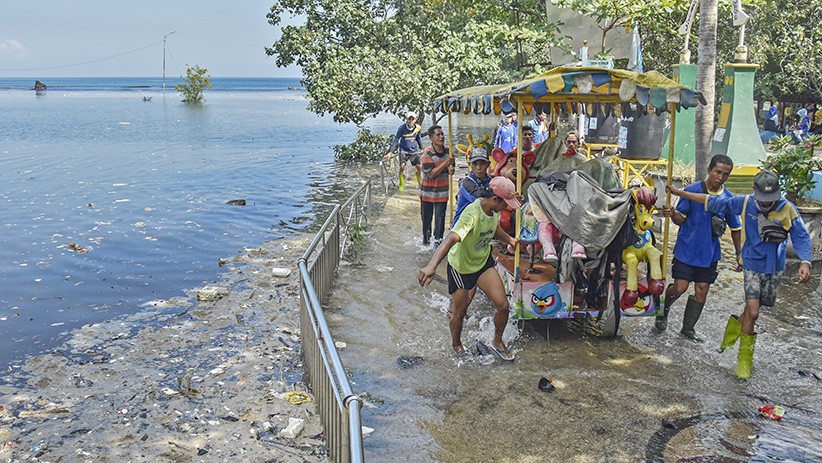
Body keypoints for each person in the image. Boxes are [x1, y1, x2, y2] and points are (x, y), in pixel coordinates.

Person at [667, 170, 813, 379]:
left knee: (753, 310)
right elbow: (709, 201)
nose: (766, 205)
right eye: (763, 200)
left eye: (771, 200)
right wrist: (680, 192)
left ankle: (729, 338)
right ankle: (743, 364)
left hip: (774, 267)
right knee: (753, 312)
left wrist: (805, 262)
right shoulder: (744, 203)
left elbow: (801, 236)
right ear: (755, 193)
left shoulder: (787, 209)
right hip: (752, 264)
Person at [418, 176, 521, 360]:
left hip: (482, 263)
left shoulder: (494, 210)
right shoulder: (471, 214)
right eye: (506, 204)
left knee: (503, 305)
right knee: (460, 312)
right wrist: (432, 265)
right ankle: (456, 344)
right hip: (461, 268)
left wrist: (510, 240)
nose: (507, 209)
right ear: (495, 199)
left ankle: (497, 342)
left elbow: (494, 228)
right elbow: (450, 238)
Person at [658, 155, 742, 341]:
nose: (720, 177)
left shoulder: (728, 199)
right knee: (680, 287)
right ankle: (663, 308)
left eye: (725, 174)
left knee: (702, 289)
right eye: (717, 172)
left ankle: (688, 328)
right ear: (709, 170)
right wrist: (672, 214)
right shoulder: (692, 190)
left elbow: (736, 228)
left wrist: (738, 253)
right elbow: (680, 219)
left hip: (709, 253)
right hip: (687, 248)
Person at [419, 125, 455, 245]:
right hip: (427, 193)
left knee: (440, 220)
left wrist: (451, 169)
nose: (441, 137)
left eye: (442, 134)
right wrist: (445, 164)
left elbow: (452, 167)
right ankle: (426, 243)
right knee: (426, 220)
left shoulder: (449, 152)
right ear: (431, 138)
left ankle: (438, 244)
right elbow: (432, 174)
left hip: (442, 192)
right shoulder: (426, 154)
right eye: (438, 135)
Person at [452, 146, 492, 226]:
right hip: (462, 227)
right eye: (475, 164)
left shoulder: (491, 181)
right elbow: (481, 200)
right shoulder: (467, 183)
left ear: (488, 164)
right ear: (470, 164)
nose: (479, 168)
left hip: (480, 225)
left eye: (482, 164)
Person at [385, 111, 423, 184]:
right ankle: (401, 184)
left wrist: (422, 148)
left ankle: (420, 183)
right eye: (409, 119)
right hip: (404, 151)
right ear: (407, 119)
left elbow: (418, 138)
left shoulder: (418, 128)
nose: (411, 121)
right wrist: (390, 152)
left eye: (413, 119)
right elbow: (396, 139)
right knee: (402, 167)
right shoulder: (402, 128)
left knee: (419, 167)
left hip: (413, 150)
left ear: (415, 120)